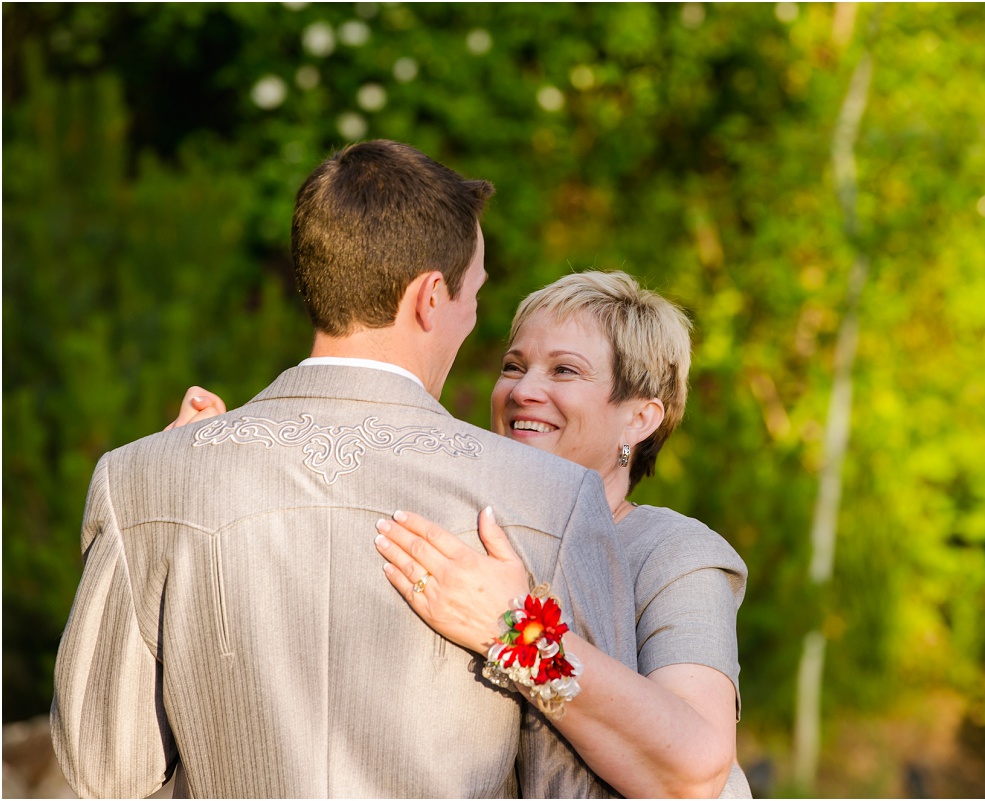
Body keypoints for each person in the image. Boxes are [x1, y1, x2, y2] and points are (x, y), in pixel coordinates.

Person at [49, 140, 637, 798]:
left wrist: (159, 499)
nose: (476, 315)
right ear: (431, 297)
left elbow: (106, 770)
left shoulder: (142, 479)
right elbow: (578, 788)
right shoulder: (550, 497)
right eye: (474, 291)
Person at [173, 272, 753, 798]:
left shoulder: (676, 555)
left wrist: (515, 629)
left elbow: (692, 770)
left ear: (640, 418)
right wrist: (208, 467)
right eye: (513, 365)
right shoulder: (458, 526)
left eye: (565, 370)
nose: (523, 390)